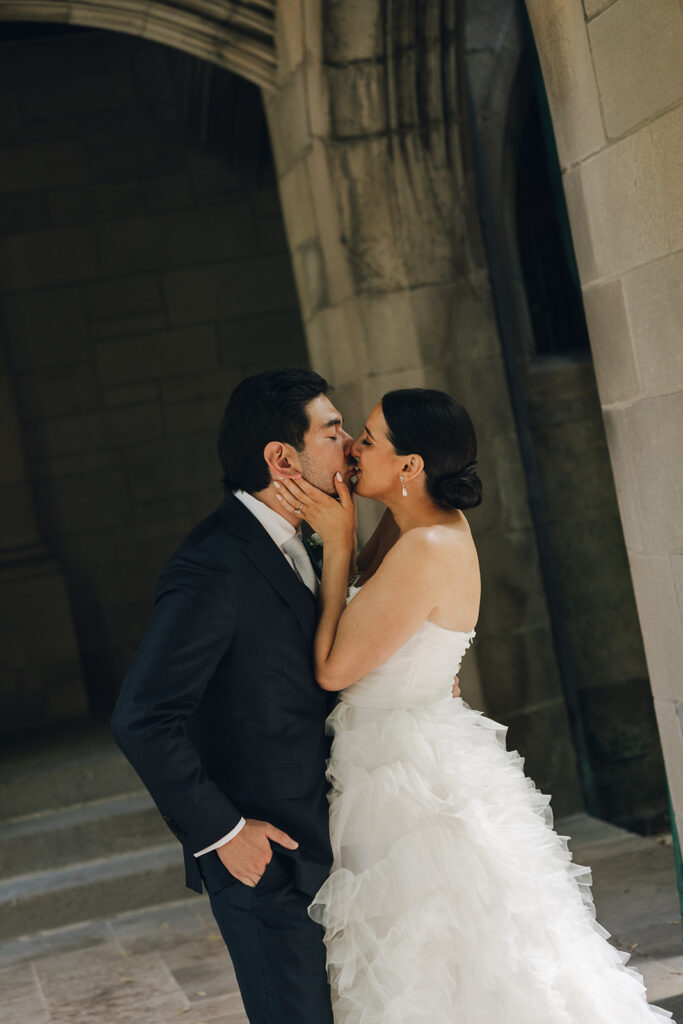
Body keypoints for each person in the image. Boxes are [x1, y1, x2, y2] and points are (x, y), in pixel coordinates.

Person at [275, 387, 673, 1023]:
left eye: (370, 439)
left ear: (411, 467)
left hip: (407, 777)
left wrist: (339, 540)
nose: (353, 447)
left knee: (437, 960)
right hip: (398, 749)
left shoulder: (427, 546)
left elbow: (333, 668)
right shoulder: (413, 525)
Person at [111, 368, 463, 1024]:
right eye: (333, 433)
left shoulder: (307, 538)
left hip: (345, 848)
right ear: (281, 458)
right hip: (267, 864)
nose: (349, 448)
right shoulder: (212, 565)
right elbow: (142, 716)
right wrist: (222, 834)